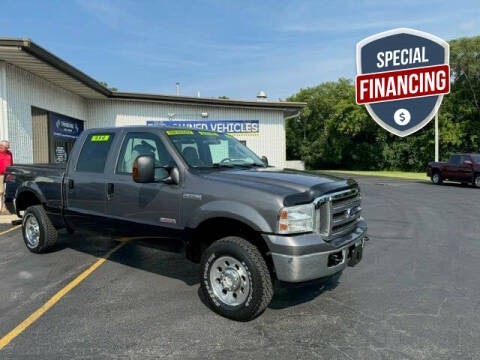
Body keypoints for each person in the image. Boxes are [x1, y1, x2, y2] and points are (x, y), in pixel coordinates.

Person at [0, 140, 13, 214]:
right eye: (6, 147)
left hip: (8, 174)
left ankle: (4, 208)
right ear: (1, 146)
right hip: (0, 174)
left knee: (7, 192)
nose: (8, 148)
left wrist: (11, 172)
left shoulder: (9, 153)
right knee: (1, 191)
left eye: (8, 147)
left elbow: (11, 163)